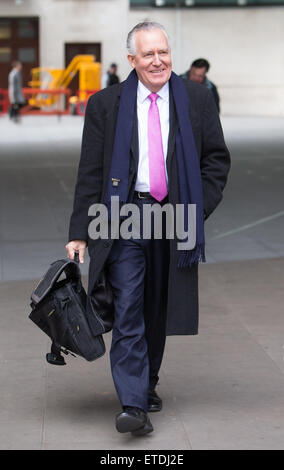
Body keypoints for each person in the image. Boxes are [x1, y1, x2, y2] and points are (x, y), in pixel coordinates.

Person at [66, 22, 230, 436]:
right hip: (123, 218)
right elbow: (91, 171)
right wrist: (79, 230)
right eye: (148, 54)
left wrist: (197, 210)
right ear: (133, 60)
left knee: (157, 307)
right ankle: (133, 403)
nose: (158, 60)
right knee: (128, 309)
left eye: (163, 51)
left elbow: (216, 161)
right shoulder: (106, 104)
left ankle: (147, 382)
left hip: (174, 219)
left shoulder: (196, 99)